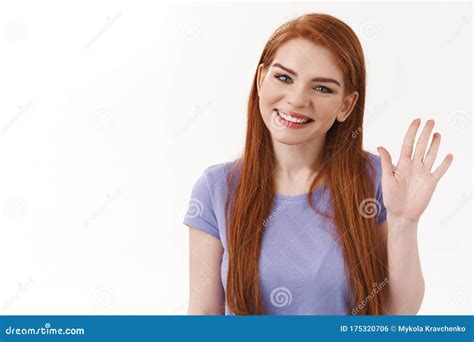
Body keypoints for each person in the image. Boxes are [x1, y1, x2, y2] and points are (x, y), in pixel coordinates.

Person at [184, 13, 453, 315]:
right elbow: (203, 317)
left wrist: (404, 222)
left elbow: (397, 315)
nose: (297, 99)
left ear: (346, 105)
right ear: (261, 79)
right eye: (284, 77)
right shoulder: (216, 189)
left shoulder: (379, 182)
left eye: (322, 88)